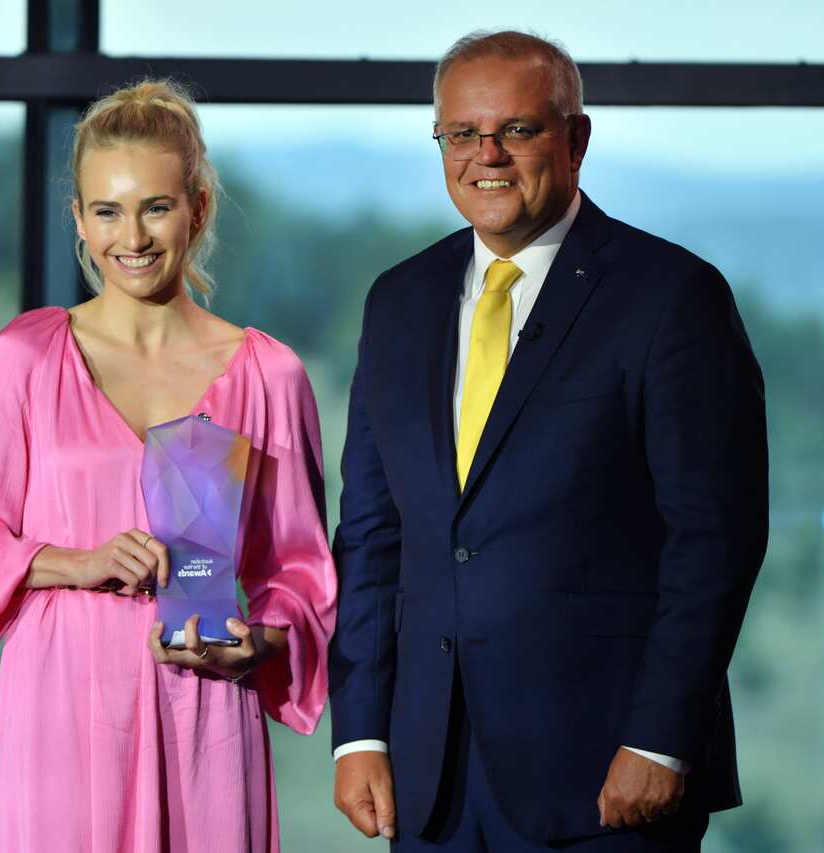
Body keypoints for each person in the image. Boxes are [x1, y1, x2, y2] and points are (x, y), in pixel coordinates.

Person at [328, 31, 768, 852]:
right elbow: (371, 536)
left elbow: (715, 539)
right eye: (461, 133)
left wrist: (662, 737)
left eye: (517, 130)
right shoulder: (398, 301)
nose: (485, 155)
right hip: (431, 782)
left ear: (577, 140)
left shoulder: (671, 297)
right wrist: (362, 732)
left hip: (608, 780)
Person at [0, 79, 337, 853]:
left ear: (198, 207)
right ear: (78, 218)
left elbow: (301, 577)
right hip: (59, 712)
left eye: (155, 207)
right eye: (106, 210)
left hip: (205, 715)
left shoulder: (270, 375)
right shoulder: (24, 361)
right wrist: (71, 560)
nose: (130, 236)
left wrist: (258, 643)